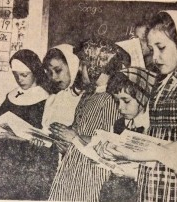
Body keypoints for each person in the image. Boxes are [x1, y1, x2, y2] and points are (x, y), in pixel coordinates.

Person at [97, 11, 177, 202]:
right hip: (151, 176)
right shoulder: (162, 82)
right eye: (152, 50)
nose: (155, 57)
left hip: (174, 179)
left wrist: (139, 153)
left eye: (161, 48)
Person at [48, 38, 131, 202]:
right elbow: (77, 132)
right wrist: (64, 140)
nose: (79, 68)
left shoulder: (110, 98)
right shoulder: (88, 94)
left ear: (97, 66)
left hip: (91, 176)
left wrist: (73, 137)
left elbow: (107, 142)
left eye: (84, 64)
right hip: (73, 169)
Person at [0, 49, 59, 200]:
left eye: (24, 75)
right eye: (16, 75)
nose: (19, 80)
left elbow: (49, 141)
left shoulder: (48, 98)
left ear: (35, 71)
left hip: (30, 168)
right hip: (5, 166)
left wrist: (15, 137)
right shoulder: (11, 96)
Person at [98, 66, 157, 202]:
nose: (120, 108)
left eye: (126, 101)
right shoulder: (119, 124)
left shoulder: (155, 126)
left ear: (143, 95)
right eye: (117, 101)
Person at [42, 44, 82, 131]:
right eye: (49, 72)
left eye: (58, 70)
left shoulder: (86, 98)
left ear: (72, 66)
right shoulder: (52, 99)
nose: (53, 77)